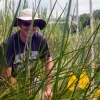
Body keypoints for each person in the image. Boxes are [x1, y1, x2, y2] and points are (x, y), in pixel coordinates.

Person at [1, 8, 53, 99]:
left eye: (34, 23)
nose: (30, 27)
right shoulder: (9, 42)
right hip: (8, 81)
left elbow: (48, 60)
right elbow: (5, 74)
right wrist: (23, 92)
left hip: (29, 80)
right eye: (26, 23)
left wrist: (48, 89)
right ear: (20, 24)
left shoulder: (40, 39)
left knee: (42, 95)